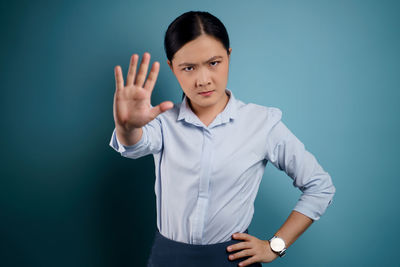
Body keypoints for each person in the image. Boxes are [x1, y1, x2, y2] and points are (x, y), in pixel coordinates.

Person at [109, 10, 336, 267]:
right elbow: (133, 145)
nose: (203, 79)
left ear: (228, 55)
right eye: (189, 68)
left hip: (232, 261)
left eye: (213, 63)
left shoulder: (261, 122)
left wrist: (275, 246)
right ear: (172, 67)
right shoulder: (163, 122)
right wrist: (126, 126)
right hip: (167, 259)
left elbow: (320, 186)